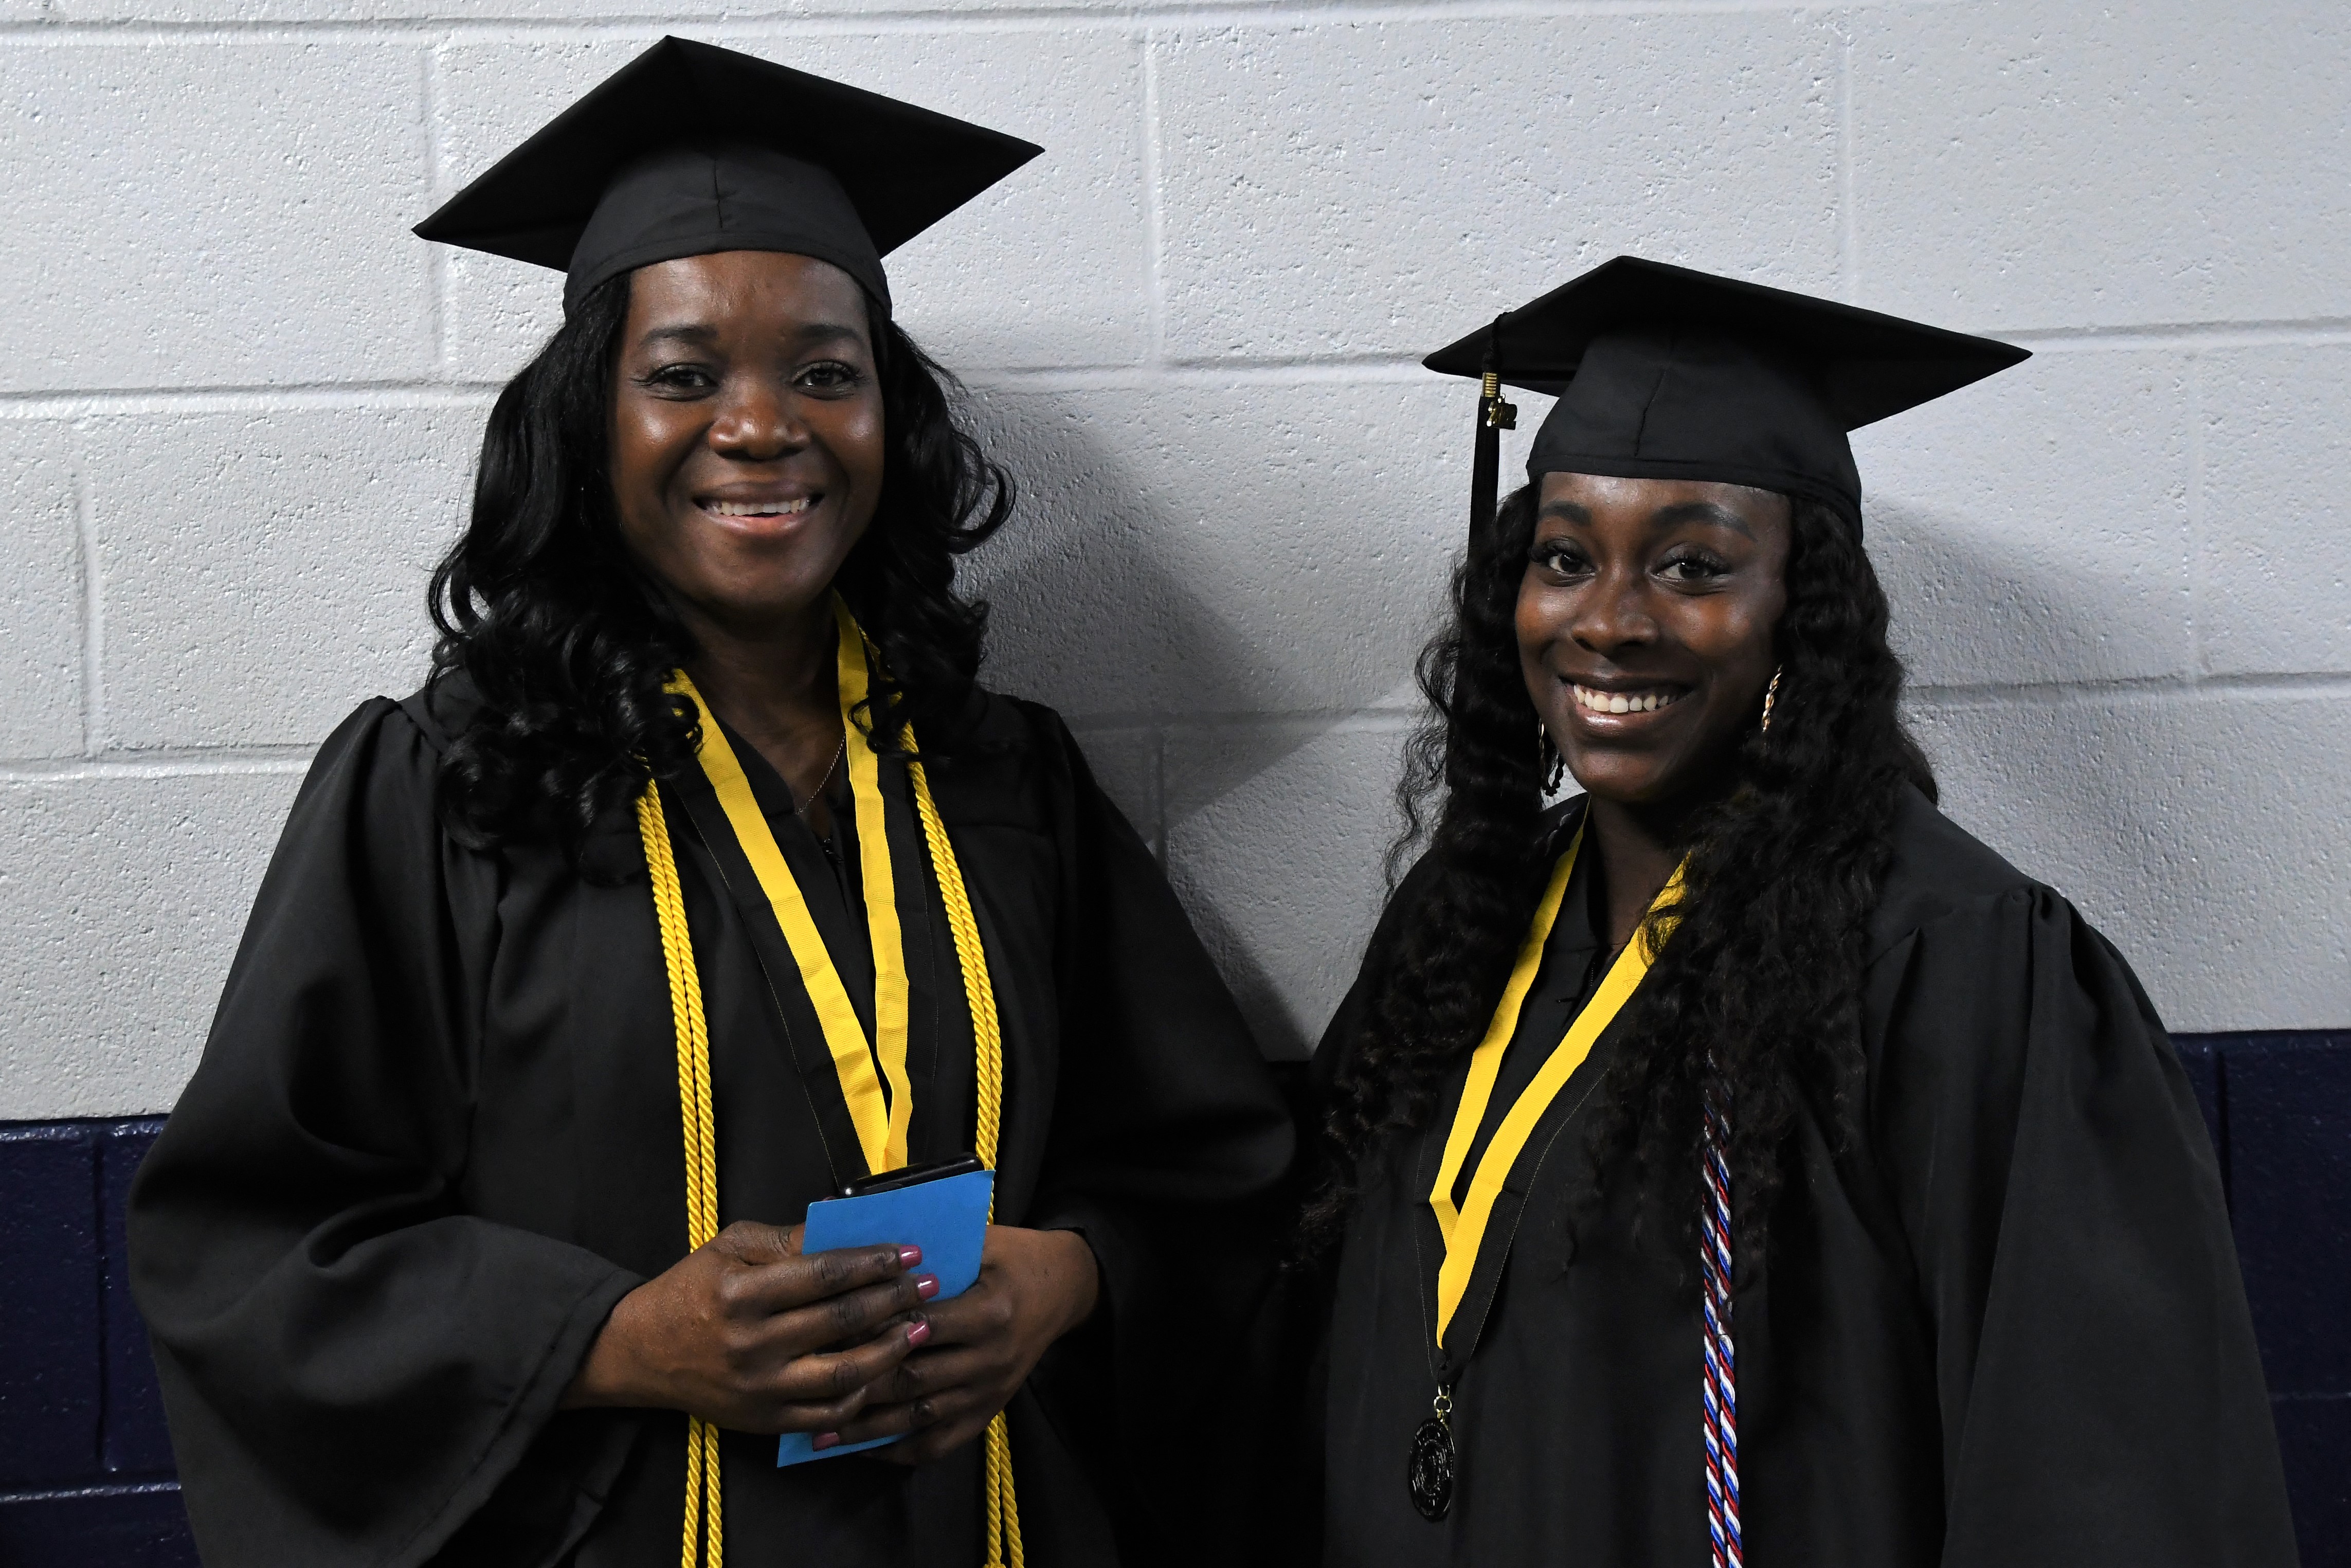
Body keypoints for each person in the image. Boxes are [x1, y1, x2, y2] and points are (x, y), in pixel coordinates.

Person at [128, 37, 1292, 1568]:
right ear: (590, 423)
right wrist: (614, 1336)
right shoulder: (445, 786)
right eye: (683, 374)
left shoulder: (1006, 779)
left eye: (825, 370)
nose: (762, 426)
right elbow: (254, 1251)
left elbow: (1207, 1174)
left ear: (892, 417)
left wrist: (1067, 1281)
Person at [1295, 257, 2300, 1566]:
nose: (1609, 620)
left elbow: (2102, 1479)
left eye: (1692, 565)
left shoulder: (1959, 967)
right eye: (1564, 556)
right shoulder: (1467, 922)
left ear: (1800, 616)